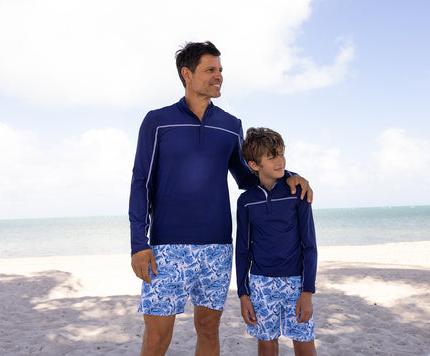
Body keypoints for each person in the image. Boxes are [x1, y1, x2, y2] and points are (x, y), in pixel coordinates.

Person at [129, 41, 313, 356]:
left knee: (209, 331)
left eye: (220, 70)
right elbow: (140, 182)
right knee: (157, 338)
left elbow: (247, 176)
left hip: (217, 249)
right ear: (187, 74)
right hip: (165, 249)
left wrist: (289, 174)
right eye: (210, 70)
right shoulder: (157, 121)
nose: (219, 76)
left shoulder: (230, 126)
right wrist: (138, 243)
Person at [236, 127, 318, 356]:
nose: (280, 161)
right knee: (267, 346)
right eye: (272, 157)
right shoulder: (246, 201)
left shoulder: (297, 192)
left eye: (281, 154)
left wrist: (307, 292)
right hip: (260, 284)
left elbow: (310, 246)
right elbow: (242, 250)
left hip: (296, 282)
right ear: (254, 165)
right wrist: (243, 295)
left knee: (304, 345)